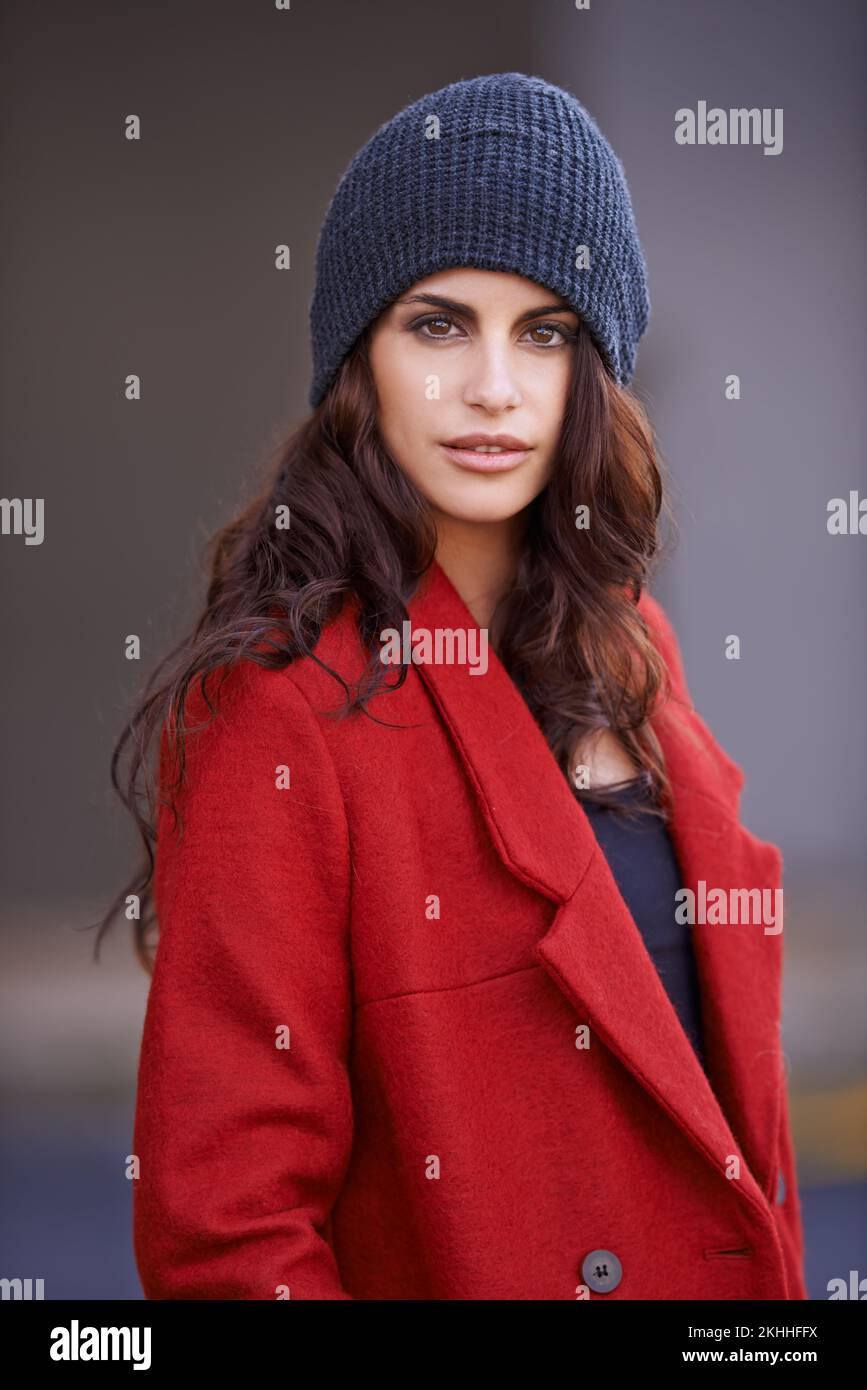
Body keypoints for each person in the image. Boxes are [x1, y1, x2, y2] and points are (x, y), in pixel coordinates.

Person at [98, 72, 807, 1299]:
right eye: (439, 324)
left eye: (546, 332)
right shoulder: (281, 711)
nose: (494, 385)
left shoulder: (633, 648)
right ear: (357, 357)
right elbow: (227, 1233)